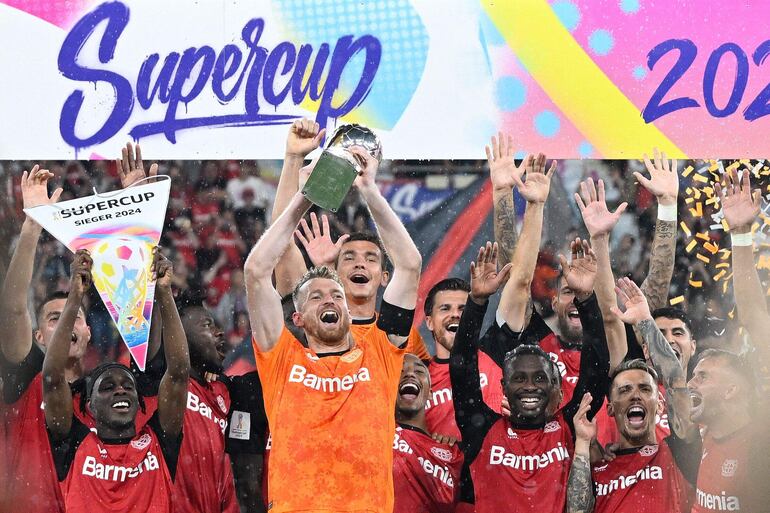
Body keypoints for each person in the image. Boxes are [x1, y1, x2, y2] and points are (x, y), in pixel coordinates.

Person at [244, 146, 419, 512]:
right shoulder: (281, 358)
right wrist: (303, 200)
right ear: (298, 317)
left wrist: (369, 189)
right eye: (316, 297)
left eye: (336, 295)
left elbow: (409, 265)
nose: (329, 300)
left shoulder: (381, 352)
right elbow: (257, 271)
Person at [0, 148, 153, 512]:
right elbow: (11, 309)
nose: (67, 323)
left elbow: (142, 304)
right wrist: (32, 225)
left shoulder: (107, 395)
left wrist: (139, 215)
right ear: (38, 338)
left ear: (87, 334)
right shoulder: (26, 379)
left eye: (74, 317)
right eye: (53, 319)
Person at [493, 150, 678, 409]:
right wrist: (502, 193)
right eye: (569, 292)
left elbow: (657, 283)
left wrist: (668, 205)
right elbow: (515, 279)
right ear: (554, 301)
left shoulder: (620, 340)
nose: (577, 301)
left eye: (584, 294)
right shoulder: (532, 340)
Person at [450, 240, 610, 512]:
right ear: (503, 387)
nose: (529, 387)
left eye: (539, 379)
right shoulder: (482, 430)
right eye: (519, 379)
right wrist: (476, 303)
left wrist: (586, 299)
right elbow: (461, 367)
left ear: (555, 388)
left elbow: (596, 369)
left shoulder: (568, 428)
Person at [44, 249, 189, 513]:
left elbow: (178, 373)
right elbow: (53, 378)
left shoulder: (160, 440)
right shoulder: (73, 444)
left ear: (139, 403)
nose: (120, 390)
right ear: (90, 405)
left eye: (127, 386)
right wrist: (75, 295)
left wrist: (165, 293)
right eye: (108, 388)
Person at [271, 119, 429, 360]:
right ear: (336, 272)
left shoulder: (389, 335)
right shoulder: (308, 322)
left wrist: (369, 189)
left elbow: (410, 265)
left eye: (371, 258)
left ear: (385, 277)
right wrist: (293, 158)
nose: (360, 263)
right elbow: (279, 247)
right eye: (349, 256)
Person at [566, 277, 701, 512]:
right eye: (625, 390)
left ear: (660, 404)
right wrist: (582, 446)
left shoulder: (679, 454)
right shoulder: (598, 469)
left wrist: (645, 322)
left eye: (645, 388)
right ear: (610, 408)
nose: (635, 395)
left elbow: (675, 380)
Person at [573, 172, 689, 445]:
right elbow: (611, 315)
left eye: (677, 334)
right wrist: (599, 240)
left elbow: (660, 279)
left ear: (694, 345)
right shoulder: (626, 373)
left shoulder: (697, 391)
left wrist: (669, 205)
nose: (668, 341)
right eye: (659, 335)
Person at [683, 168, 770, 512]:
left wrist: (741, 234)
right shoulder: (702, 432)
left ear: (733, 390)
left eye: (703, 377)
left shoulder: (762, 439)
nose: (692, 382)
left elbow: (752, 317)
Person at [134, 301, 268, 513]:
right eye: (207, 325)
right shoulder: (162, 384)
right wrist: (162, 293)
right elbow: (160, 357)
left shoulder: (225, 390)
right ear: (180, 336)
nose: (220, 332)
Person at [422, 278, 504, 439]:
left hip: (498, 460)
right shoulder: (419, 378)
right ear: (429, 322)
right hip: (445, 464)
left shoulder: (494, 351)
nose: (455, 314)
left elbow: (520, 289)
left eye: (463, 309)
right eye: (445, 309)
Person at [393, 354, 463, 513]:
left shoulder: (454, 454)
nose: (409, 374)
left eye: (419, 372)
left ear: (430, 393)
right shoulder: (376, 438)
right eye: (400, 370)